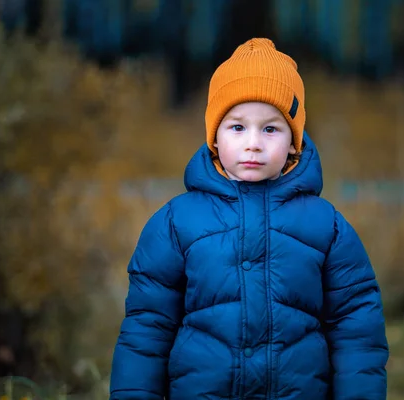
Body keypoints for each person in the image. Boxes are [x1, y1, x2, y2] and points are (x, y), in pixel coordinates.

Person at [109, 38, 389, 400]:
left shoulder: (328, 227)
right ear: (214, 137)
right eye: (237, 127)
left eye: (270, 128)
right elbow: (147, 328)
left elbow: (357, 329)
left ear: (294, 141)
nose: (253, 143)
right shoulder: (176, 224)